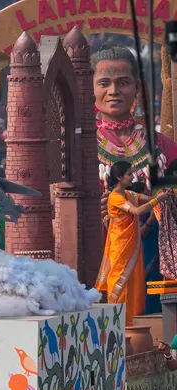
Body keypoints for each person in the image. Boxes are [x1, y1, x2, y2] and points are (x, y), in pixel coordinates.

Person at [94, 45, 177, 316]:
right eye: (104, 83)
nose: (114, 91)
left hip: (154, 250)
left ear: (137, 87)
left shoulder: (164, 147)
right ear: (89, 88)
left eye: (123, 82)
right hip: (100, 250)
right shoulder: (72, 148)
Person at [96, 161, 172, 325]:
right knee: (120, 285)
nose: (132, 177)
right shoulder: (115, 197)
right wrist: (156, 201)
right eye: (129, 174)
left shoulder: (129, 194)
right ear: (119, 177)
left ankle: (133, 324)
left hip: (132, 248)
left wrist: (165, 196)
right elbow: (137, 210)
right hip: (120, 249)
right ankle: (118, 325)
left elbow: (148, 199)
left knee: (135, 285)